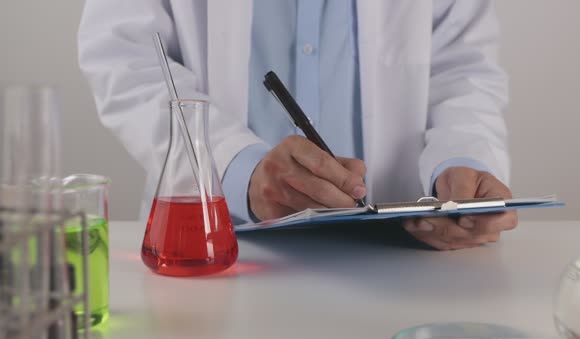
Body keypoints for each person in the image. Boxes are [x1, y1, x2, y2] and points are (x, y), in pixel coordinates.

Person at [78, 0, 517, 250]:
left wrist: (462, 161)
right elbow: (126, 60)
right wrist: (241, 170)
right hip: (215, 245)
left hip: (405, 258)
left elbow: (463, 67)